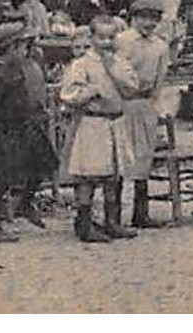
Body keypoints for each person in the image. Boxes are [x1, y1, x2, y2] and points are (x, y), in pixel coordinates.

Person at [0, 22, 57, 243]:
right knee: (0, 180)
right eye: (22, 48)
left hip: (24, 127)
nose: (26, 52)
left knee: (45, 162)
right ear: (9, 49)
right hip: (2, 133)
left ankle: (25, 203)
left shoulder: (16, 70)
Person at [60, 17, 138, 242]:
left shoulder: (120, 62)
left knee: (113, 175)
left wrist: (114, 70)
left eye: (111, 37)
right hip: (93, 123)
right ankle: (84, 224)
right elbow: (68, 94)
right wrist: (90, 91)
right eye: (101, 37)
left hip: (115, 121)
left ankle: (112, 221)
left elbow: (132, 87)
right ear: (92, 38)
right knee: (89, 175)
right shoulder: (82, 64)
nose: (106, 42)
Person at [113, 0, 171, 229]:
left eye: (153, 19)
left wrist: (155, 106)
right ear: (134, 18)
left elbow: (160, 78)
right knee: (120, 157)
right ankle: (113, 214)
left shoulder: (160, 46)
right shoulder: (122, 41)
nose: (148, 24)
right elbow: (115, 72)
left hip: (146, 105)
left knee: (144, 158)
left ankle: (141, 213)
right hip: (124, 103)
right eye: (144, 18)